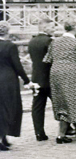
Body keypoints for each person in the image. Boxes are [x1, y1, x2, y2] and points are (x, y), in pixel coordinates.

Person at [0, 21, 37, 150]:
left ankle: (3, 137)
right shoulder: (10, 46)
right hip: (7, 80)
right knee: (8, 108)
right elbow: (18, 66)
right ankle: (3, 137)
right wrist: (27, 80)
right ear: (7, 31)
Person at [28, 18, 55, 141]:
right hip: (49, 77)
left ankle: (39, 132)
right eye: (52, 27)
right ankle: (67, 127)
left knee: (37, 106)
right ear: (45, 28)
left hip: (36, 77)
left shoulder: (32, 41)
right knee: (58, 103)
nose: (54, 29)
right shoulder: (49, 41)